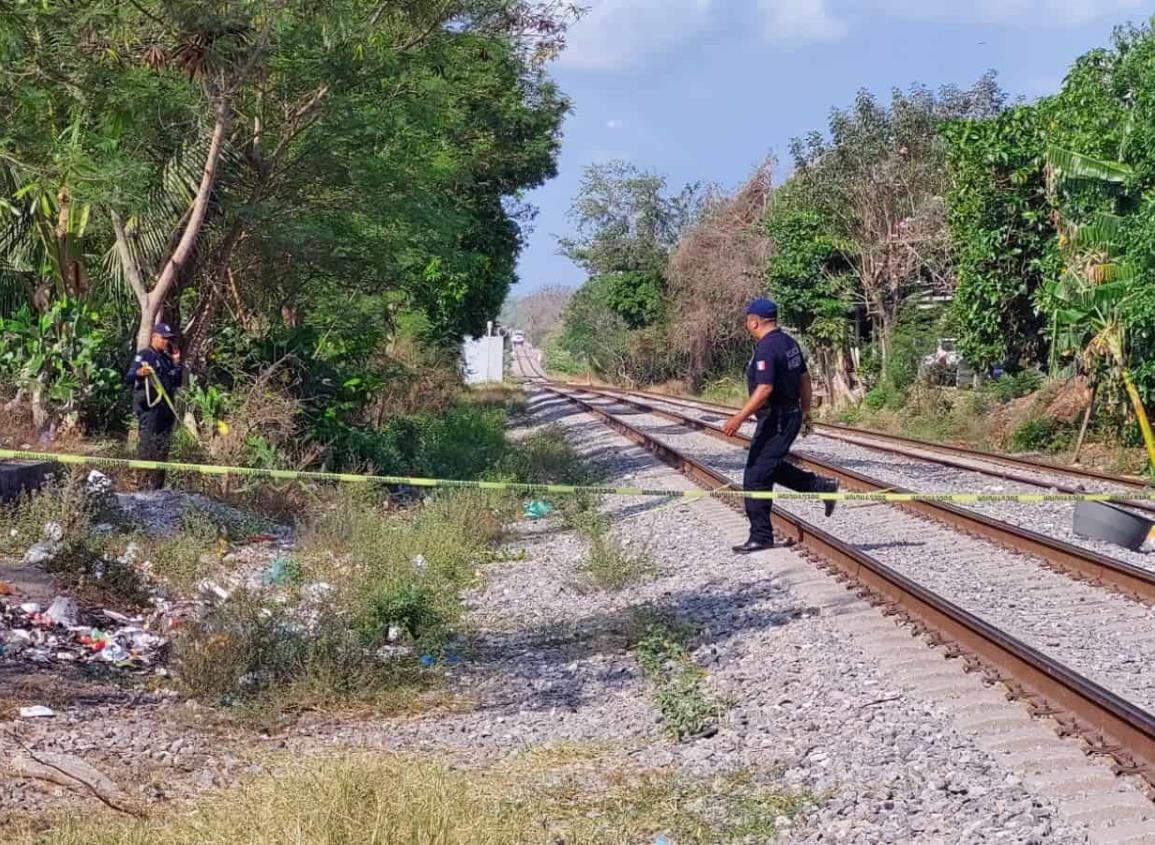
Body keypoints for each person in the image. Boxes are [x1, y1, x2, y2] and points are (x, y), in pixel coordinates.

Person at [722, 299, 838, 554]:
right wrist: (806, 412)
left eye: (747, 320)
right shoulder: (789, 343)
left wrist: (738, 418)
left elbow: (765, 388)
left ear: (754, 322)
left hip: (778, 419)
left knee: (755, 476)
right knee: (768, 468)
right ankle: (823, 486)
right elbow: (805, 380)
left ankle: (761, 536)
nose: (747, 324)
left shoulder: (766, 348)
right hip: (789, 415)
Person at [124, 322, 183, 490]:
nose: (166, 342)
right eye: (164, 339)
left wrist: (177, 362)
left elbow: (176, 382)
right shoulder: (145, 355)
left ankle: (157, 486)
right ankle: (141, 482)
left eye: (168, 339)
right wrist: (140, 374)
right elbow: (129, 377)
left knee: (163, 445)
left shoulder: (167, 359)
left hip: (165, 409)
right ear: (154, 337)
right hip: (149, 407)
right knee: (147, 443)